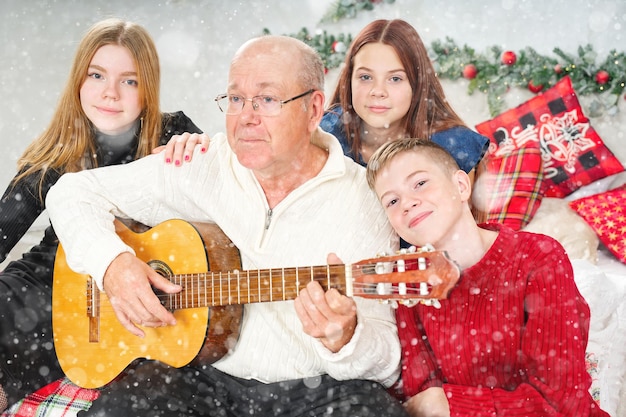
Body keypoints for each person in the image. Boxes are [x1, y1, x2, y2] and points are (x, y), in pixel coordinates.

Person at [45, 35, 407, 417]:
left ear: (313, 108)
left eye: (267, 100)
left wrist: (346, 338)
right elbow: (71, 193)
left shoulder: (366, 200)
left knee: (376, 410)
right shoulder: (202, 163)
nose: (246, 118)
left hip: (314, 395)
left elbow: (387, 362)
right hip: (203, 381)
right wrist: (112, 265)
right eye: (235, 99)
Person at [0, 18, 207, 410]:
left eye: (129, 80)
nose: (110, 93)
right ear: (79, 80)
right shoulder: (54, 153)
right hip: (46, 288)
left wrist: (204, 158)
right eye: (97, 75)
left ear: (148, 88)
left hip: (125, 300)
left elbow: (219, 223)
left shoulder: (176, 136)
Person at [365, 138, 609, 417]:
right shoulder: (408, 280)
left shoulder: (539, 259)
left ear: (460, 186)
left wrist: (451, 405)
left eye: (420, 183)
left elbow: (562, 404)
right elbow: (421, 393)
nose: (407, 203)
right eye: (392, 201)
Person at [320, 19, 487, 179]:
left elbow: (463, 208)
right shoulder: (325, 133)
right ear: (349, 80)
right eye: (365, 77)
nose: (378, 91)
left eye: (395, 79)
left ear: (416, 85)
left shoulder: (452, 145)